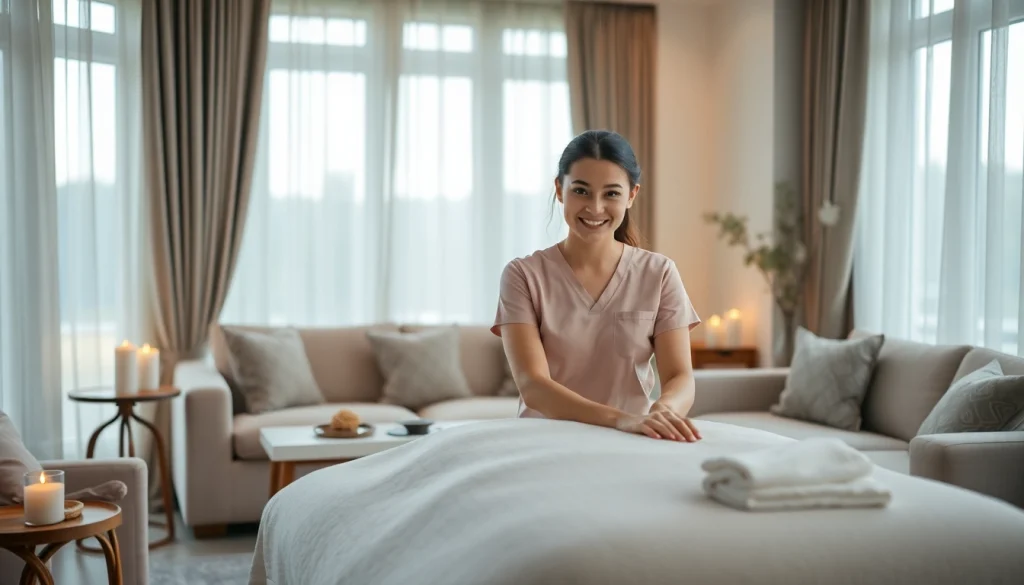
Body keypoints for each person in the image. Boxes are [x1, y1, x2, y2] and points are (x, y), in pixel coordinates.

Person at [491, 129, 703, 442]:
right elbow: (533, 385)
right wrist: (621, 420)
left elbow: (680, 377)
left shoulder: (659, 273)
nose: (595, 207)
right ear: (559, 190)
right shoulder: (522, 275)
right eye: (581, 191)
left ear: (631, 195)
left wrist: (665, 410)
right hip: (544, 441)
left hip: (633, 441)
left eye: (612, 194)